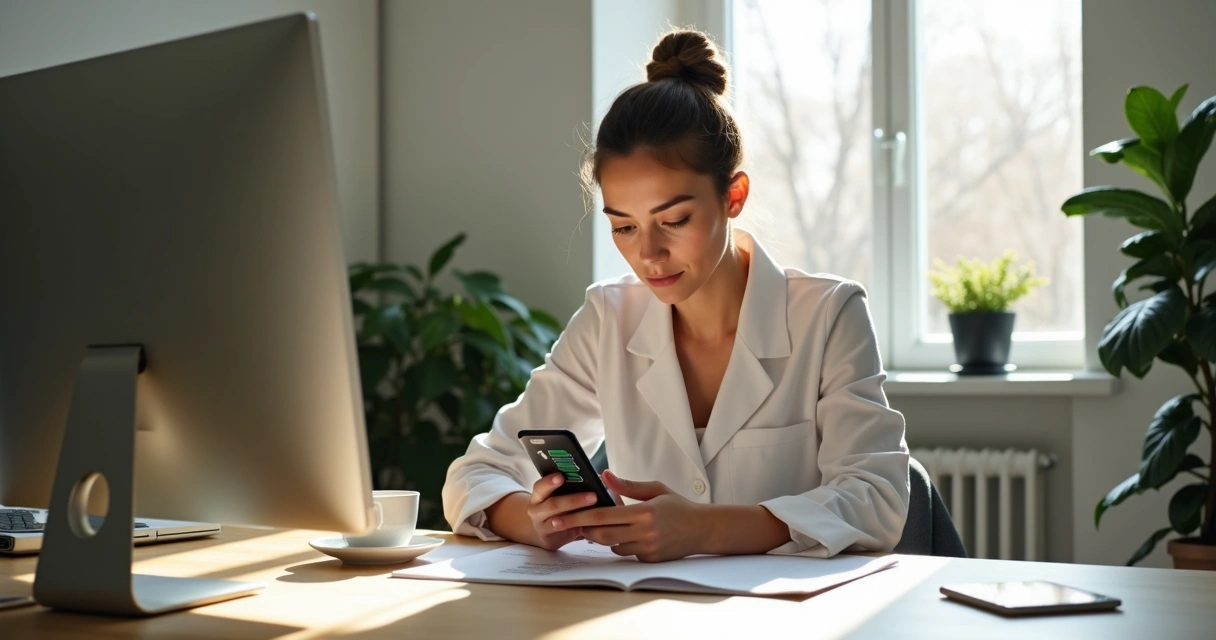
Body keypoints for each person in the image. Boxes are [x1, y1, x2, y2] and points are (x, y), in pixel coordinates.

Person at [442, 29, 909, 562]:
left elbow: (878, 499)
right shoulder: (608, 318)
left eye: (675, 219)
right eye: (624, 227)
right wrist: (533, 520)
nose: (649, 255)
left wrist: (705, 530)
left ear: (733, 196)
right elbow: (476, 474)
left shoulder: (828, 316)